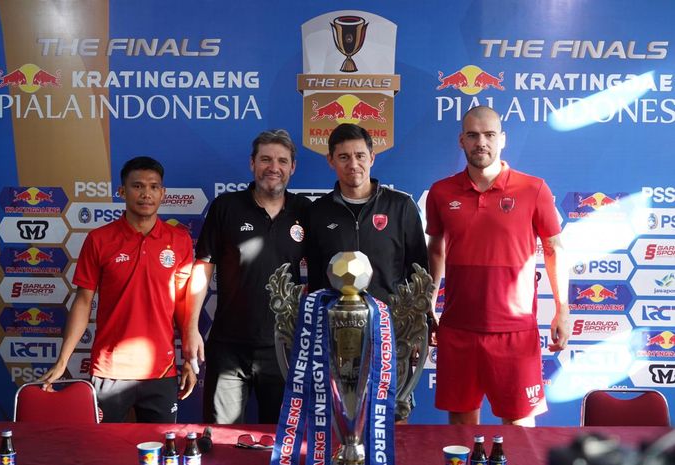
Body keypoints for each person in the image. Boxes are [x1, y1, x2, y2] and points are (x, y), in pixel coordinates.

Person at [426, 106, 569, 426]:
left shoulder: (533, 189)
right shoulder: (440, 192)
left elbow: (554, 250)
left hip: (515, 334)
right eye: (473, 135)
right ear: (461, 140)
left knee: (521, 434)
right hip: (459, 330)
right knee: (461, 437)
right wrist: (428, 306)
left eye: (489, 135)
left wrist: (563, 308)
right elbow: (436, 251)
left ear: (502, 140)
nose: (482, 142)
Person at [40, 156, 196, 423]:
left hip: (162, 370)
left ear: (163, 193)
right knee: (102, 450)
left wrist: (189, 362)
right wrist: (62, 360)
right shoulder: (99, 239)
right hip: (109, 370)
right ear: (122, 191)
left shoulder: (179, 241)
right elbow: (83, 301)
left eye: (154, 186)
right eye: (137, 186)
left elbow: (184, 305)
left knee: (160, 452)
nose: (146, 194)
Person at [184, 129, 311, 424]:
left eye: (282, 161)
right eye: (265, 159)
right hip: (229, 345)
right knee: (220, 437)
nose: (273, 167)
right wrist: (191, 328)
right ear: (252, 163)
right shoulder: (225, 207)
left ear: (292, 167)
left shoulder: (306, 211)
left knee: (281, 440)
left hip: (285, 348)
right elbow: (203, 269)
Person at [306, 123, 429, 420]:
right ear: (331, 160)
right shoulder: (317, 212)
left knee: (393, 419)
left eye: (360, 155)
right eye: (344, 157)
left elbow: (419, 274)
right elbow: (313, 281)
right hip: (335, 337)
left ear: (372, 157)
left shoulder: (401, 206)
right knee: (338, 418)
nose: (353, 164)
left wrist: (415, 332)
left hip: (391, 337)